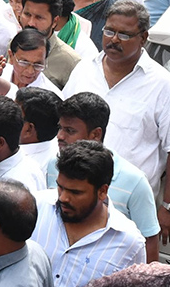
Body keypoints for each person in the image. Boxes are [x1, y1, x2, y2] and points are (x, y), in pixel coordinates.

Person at [63, 0, 170, 236]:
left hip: (128, 209)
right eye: (109, 31)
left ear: (143, 38)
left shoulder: (163, 85)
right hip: (76, 197)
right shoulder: (84, 70)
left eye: (124, 34)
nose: (113, 39)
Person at [33, 140, 147, 287]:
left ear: (103, 191)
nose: (63, 197)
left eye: (75, 192)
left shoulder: (129, 242)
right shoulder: (35, 207)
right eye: (60, 187)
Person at [48, 91, 161, 260]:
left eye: (70, 130)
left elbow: (149, 245)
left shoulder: (135, 182)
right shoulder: (54, 164)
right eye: (60, 128)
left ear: (95, 134)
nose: (60, 136)